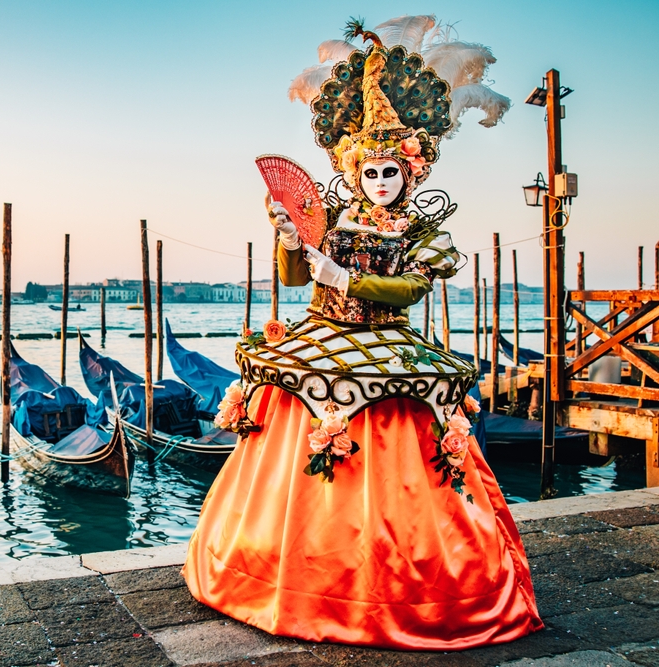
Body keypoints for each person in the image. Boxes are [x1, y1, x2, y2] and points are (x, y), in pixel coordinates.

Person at [182, 18, 543, 650]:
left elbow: (411, 290)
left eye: (389, 173)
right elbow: (298, 277)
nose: (379, 183)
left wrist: (344, 278)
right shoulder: (334, 216)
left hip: (389, 342)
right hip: (319, 335)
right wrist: (293, 243)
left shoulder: (422, 232)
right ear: (353, 170)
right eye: (369, 173)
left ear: (410, 172)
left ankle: (400, 583)